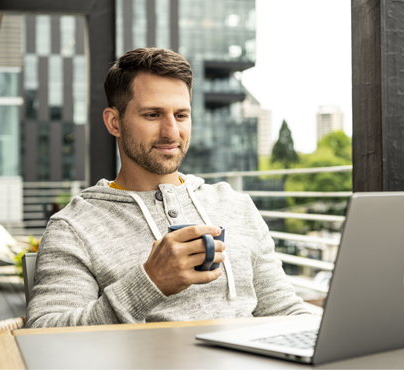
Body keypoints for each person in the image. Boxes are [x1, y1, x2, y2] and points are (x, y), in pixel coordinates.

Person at [26, 48, 308, 328]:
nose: (171, 132)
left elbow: (285, 310)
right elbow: (44, 332)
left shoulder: (236, 205)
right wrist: (150, 283)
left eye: (181, 115)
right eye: (152, 114)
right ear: (114, 122)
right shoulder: (74, 227)